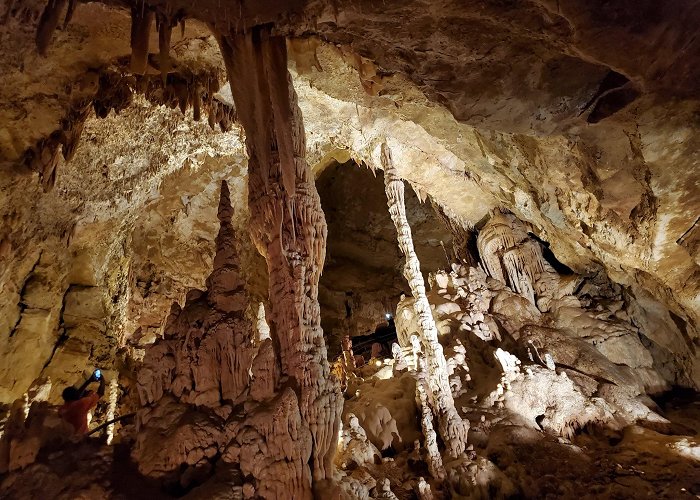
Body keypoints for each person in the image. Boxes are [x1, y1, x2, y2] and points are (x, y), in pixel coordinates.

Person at [59, 370, 105, 434]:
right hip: (80, 438)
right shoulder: (81, 405)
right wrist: (102, 379)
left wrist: (89, 381)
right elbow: (100, 393)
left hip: (67, 439)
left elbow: (78, 395)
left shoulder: (62, 409)